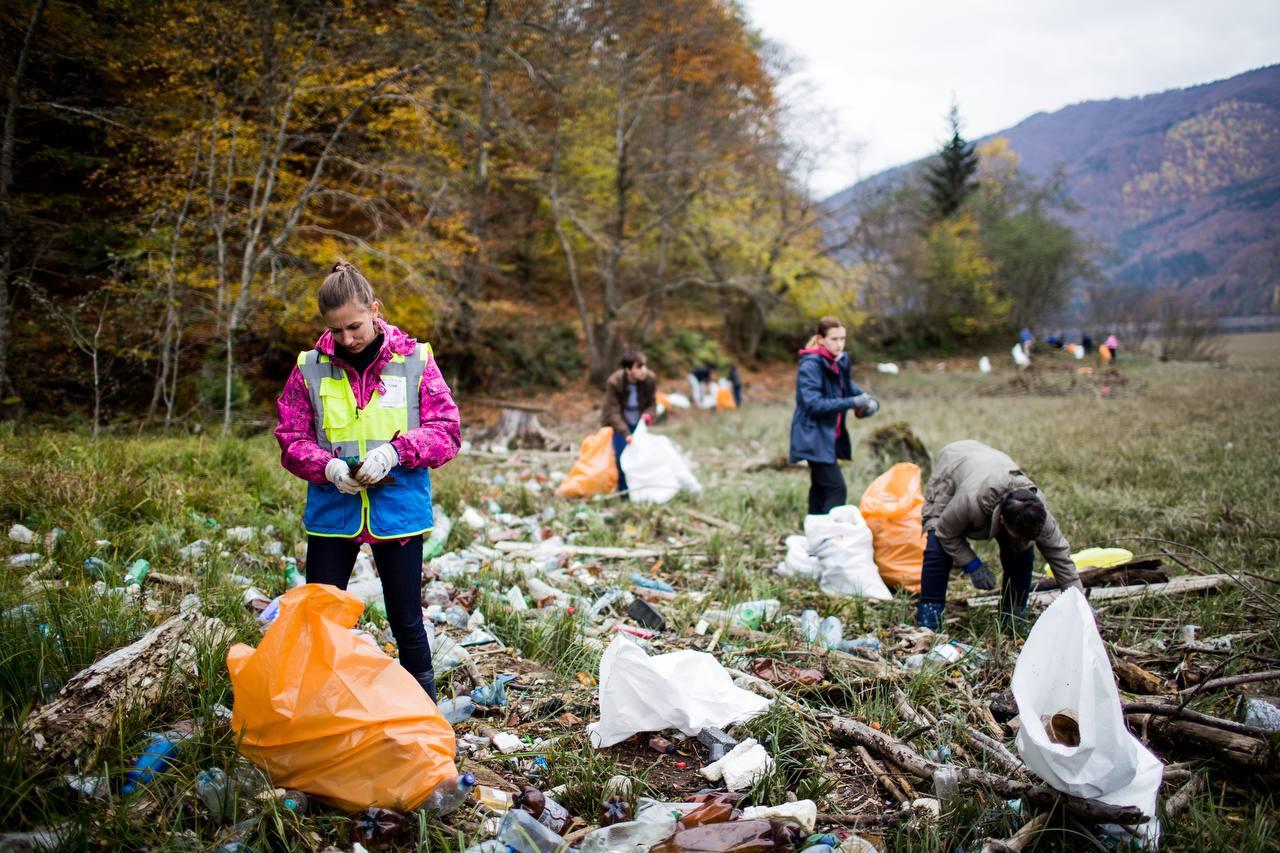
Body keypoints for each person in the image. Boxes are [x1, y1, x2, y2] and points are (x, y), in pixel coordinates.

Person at [275, 261, 460, 702]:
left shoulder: (417, 361)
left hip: (398, 510)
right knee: (319, 620)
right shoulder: (308, 367)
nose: (347, 339)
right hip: (331, 511)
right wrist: (328, 468)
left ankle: (424, 722)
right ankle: (319, 713)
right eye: (336, 330)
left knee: (406, 619)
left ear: (375, 310)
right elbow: (291, 438)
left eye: (355, 326)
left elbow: (446, 432)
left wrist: (395, 452)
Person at [917, 440, 1084, 632]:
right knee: (936, 547)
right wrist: (973, 565)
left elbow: (1060, 557)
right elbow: (945, 532)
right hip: (954, 465)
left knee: (1021, 553)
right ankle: (929, 619)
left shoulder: (1036, 510)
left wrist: (1080, 606)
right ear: (1002, 519)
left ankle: (1012, 617)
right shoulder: (971, 500)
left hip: (990, 464)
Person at [789, 316, 879, 515]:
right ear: (821, 339)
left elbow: (847, 388)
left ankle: (815, 532)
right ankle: (830, 536)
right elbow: (812, 404)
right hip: (812, 437)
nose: (839, 344)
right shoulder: (811, 365)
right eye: (834, 339)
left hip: (829, 436)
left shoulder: (838, 361)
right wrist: (852, 403)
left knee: (820, 489)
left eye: (842, 339)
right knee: (836, 488)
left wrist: (869, 400)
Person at [602, 350, 657, 498]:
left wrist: (648, 416)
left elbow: (652, 404)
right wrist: (626, 433)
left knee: (641, 457)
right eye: (639, 367)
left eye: (644, 366)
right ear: (628, 369)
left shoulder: (649, 379)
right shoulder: (615, 382)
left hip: (638, 423)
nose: (643, 370)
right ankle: (624, 493)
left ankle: (641, 491)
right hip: (620, 424)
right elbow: (612, 412)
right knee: (621, 457)